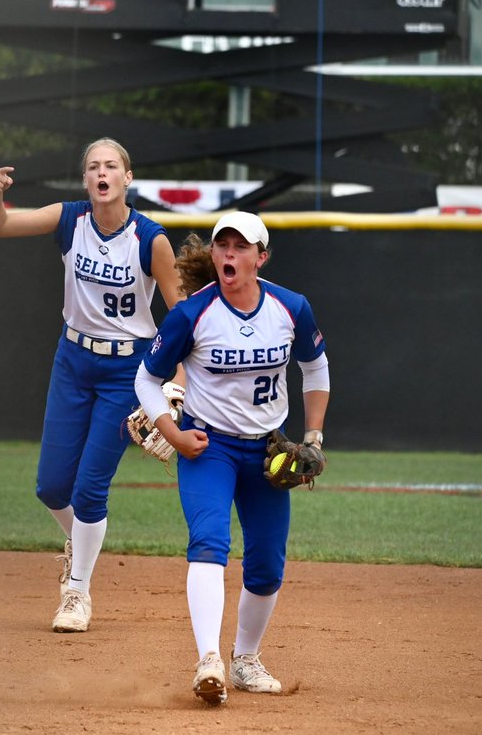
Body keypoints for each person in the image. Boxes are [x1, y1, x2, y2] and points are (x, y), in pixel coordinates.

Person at [0, 138, 184, 633]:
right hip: (72, 360)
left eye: (111, 165)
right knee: (52, 487)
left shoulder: (149, 238)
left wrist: (176, 380)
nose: (101, 172)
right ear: (86, 179)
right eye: (93, 166)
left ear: (127, 178)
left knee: (90, 489)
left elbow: (181, 313)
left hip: (126, 371)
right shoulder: (70, 219)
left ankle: (77, 592)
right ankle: (83, 541)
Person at [132, 211, 330, 705]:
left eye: (241, 247)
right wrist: (173, 434)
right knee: (209, 543)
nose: (228, 254)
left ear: (261, 258)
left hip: (268, 451)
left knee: (266, 564)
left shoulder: (291, 307)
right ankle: (209, 661)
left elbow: (317, 368)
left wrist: (314, 438)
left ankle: (244, 659)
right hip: (209, 447)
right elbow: (145, 379)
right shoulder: (191, 313)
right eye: (223, 245)